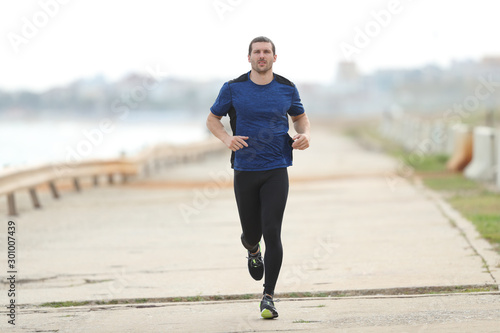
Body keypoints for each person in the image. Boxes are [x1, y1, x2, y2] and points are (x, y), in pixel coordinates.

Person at [206, 36, 310, 319]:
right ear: (249, 57)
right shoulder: (233, 88)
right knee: (253, 233)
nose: (261, 56)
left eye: (266, 52)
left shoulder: (286, 88)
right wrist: (227, 138)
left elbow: (300, 118)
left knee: (272, 231)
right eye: (257, 52)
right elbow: (212, 119)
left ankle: (268, 297)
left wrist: (305, 135)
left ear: (275, 57)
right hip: (245, 170)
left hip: (277, 168)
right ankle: (253, 249)